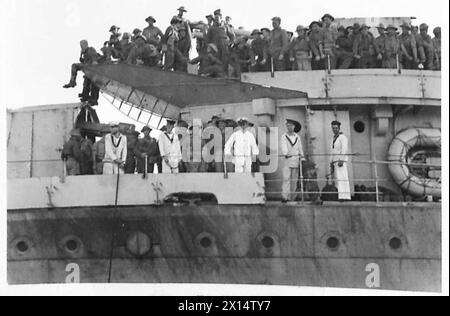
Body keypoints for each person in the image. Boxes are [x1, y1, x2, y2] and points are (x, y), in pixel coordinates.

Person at [280, 119, 305, 203]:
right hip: (288, 160)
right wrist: (285, 153)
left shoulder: (297, 137)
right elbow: (283, 146)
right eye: (288, 125)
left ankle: (292, 197)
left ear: (294, 127)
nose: (289, 127)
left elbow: (300, 148)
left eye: (291, 125)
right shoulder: (284, 136)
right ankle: (285, 196)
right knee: (286, 178)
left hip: (296, 160)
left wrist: (302, 157)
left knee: (294, 179)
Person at [205, 9, 235, 74]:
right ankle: (217, 73)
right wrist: (210, 46)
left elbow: (232, 35)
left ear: (221, 18)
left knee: (225, 59)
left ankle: (225, 73)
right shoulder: (211, 28)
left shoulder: (225, 26)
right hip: (215, 46)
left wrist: (231, 43)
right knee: (216, 59)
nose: (216, 19)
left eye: (218, 17)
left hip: (224, 45)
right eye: (215, 18)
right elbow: (207, 39)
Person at [329, 121, 351, 201]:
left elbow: (344, 149)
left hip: (340, 161)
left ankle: (344, 197)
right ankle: (340, 196)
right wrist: (331, 162)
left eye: (336, 128)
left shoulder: (342, 137)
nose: (334, 129)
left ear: (339, 128)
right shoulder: (333, 138)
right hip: (335, 161)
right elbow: (332, 150)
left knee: (342, 178)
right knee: (338, 179)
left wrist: (341, 159)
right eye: (333, 128)